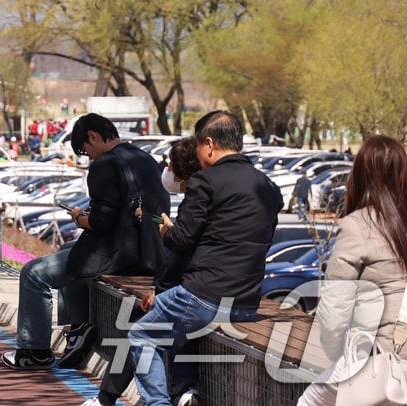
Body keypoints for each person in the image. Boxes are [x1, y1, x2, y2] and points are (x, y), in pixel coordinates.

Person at [123, 110, 281, 406]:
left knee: (142, 334)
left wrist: (163, 228)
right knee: (176, 329)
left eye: (197, 145)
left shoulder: (205, 182)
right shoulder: (268, 186)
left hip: (204, 297)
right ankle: (184, 391)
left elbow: (181, 240)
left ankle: (159, 402)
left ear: (208, 144)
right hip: (246, 303)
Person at [3, 113, 168, 372]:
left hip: (121, 254)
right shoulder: (146, 159)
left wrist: (80, 218)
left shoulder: (105, 164)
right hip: (149, 251)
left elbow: (102, 224)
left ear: (93, 136)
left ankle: (33, 351)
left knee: (33, 274)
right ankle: (79, 329)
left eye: (86, 151)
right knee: (70, 250)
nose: (89, 157)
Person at [85, 137, 202, 406]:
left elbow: (180, 253)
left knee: (140, 326)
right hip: (206, 288)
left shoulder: (198, 200)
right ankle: (183, 392)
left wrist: (158, 289)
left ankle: (114, 397)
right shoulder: (210, 195)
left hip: (194, 289)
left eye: (172, 165)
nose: (168, 171)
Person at [297, 135, 407, 406]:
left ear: (360, 175)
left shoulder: (358, 226)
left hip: (373, 359)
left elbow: (334, 310)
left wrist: (339, 354)